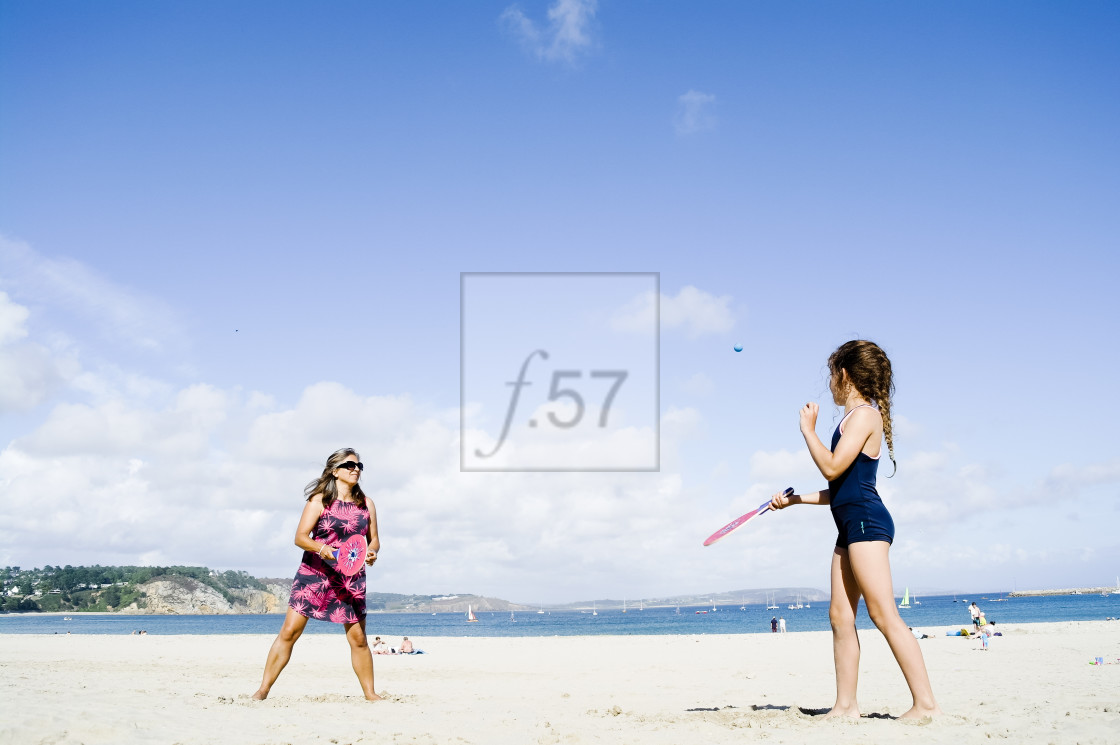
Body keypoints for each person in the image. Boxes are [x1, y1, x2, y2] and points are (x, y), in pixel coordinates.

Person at [769, 340, 941, 720]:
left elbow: (831, 467)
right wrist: (795, 501)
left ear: (843, 374)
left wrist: (807, 430)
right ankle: (846, 706)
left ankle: (926, 705)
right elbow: (839, 489)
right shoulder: (851, 421)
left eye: (831, 373)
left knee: (884, 614)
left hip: (866, 521)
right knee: (840, 616)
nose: (829, 382)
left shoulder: (865, 415)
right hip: (849, 523)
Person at [252, 448, 381, 701]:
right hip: (315, 574)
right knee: (289, 632)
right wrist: (325, 549)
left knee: (358, 639)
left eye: (359, 466)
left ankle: (371, 694)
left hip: (350, 578)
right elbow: (300, 537)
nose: (356, 469)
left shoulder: (366, 504)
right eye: (349, 465)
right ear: (335, 471)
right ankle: (262, 690)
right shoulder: (319, 500)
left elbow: (374, 540)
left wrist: (372, 553)